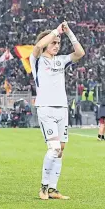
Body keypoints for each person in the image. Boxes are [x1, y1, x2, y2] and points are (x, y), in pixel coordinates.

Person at [30, 22, 85, 200]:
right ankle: (43, 187)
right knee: (53, 148)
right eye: (53, 42)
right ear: (46, 43)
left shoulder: (61, 61)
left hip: (62, 109)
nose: (56, 46)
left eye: (58, 43)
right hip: (46, 108)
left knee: (60, 150)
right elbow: (38, 46)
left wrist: (68, 33)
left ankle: (53, 189)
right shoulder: (37, 59)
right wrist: (55, 31)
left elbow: (80, 53)